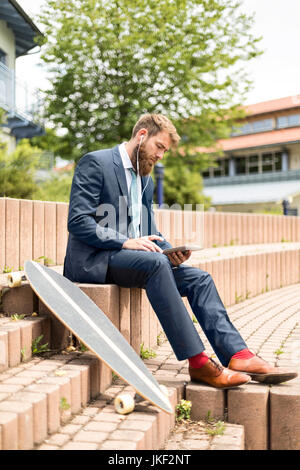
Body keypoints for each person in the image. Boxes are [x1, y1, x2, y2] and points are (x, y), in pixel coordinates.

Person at [63, 113, 297, 389]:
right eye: (159, 147)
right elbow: (78, 221)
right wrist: (124, 241)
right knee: (155, 266)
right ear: (141, 136)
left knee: (199, 278)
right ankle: (198, 363)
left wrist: (168, 250)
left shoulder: (144, 179)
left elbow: (149, 230)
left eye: (165, 150)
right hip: (94, 260)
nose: (161, 155)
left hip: (133, 259)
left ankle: (239, 354)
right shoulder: (97, 162)